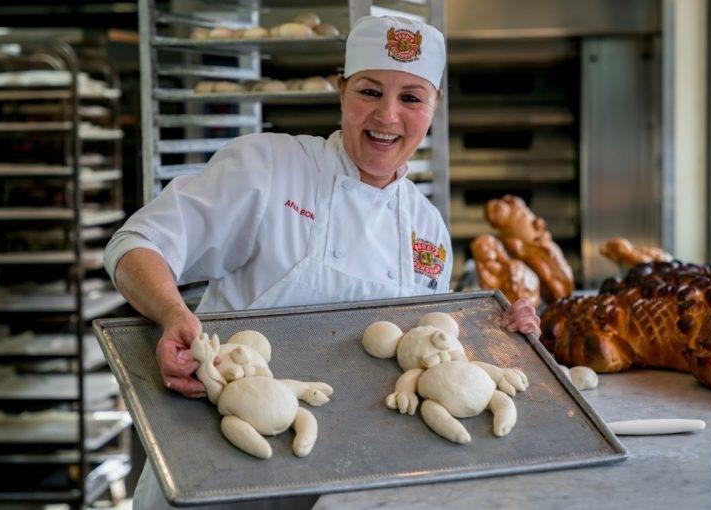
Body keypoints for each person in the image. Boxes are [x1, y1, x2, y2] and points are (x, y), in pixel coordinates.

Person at [105, 15, 540, 510]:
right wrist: (171, 315)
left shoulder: (427, 227)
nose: (387, 117)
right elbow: (137, 244)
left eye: (411, 98)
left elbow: (424, 355)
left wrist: (495, 335)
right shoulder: (271, 168)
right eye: (370, 92)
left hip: (352, 480)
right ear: (341, 91)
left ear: (435, 106)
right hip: (221, 466)